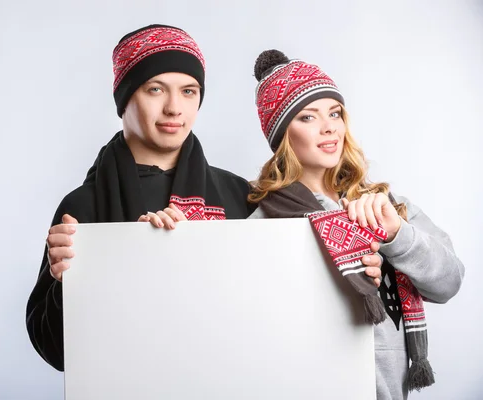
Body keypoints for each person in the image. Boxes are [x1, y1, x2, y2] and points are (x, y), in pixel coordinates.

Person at [25, 24, 257, 372]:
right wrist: (65, 284)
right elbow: (56, 354)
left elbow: (270, 312)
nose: (174, 108)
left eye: (189, 91)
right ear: (125, 98)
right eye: (155, 89)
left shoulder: (240, 195)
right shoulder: (81, 208)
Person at [247, 49, 465, 399]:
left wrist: (396, 235)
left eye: (335, 113)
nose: (329, 126)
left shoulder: (388, 204)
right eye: (307, 117)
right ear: (283, 135)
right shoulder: (265, 222)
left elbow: (450, 282)